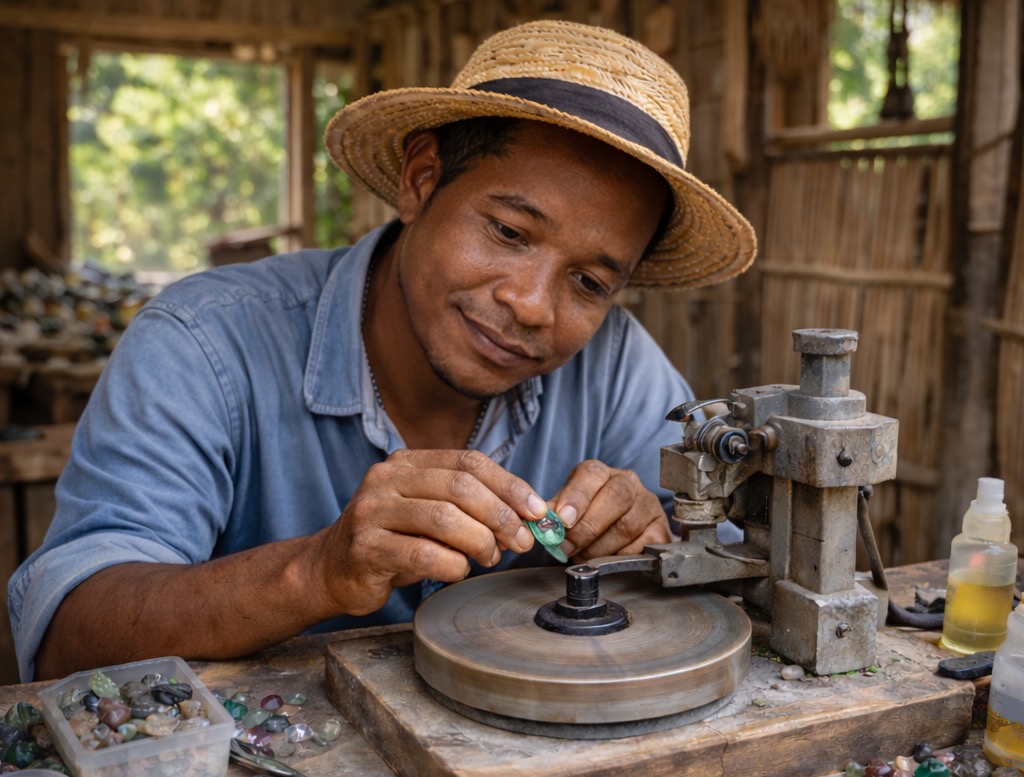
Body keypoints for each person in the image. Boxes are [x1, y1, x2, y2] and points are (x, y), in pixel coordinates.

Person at [9, 19, 755, 683]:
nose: (531, 305)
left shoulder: (616, 364)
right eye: (507, 232)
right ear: (420, 180)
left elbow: (724, 589)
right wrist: (313, 573)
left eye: (589, 282)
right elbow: (65, 639)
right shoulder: (204, 344)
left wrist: (650, 552)